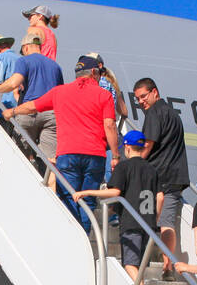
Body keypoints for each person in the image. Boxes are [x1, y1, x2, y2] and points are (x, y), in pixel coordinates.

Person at [7, 56, 118, 234]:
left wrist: (12, 111)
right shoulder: (104, 95)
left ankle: (72, 239)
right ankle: (84, 244)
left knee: (67, 198)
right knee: (88, 201)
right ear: (93, 73)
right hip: (95, 155)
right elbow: (110, 125)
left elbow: (31, 107)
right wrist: (116, 156)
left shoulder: (60, 92)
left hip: (68, 155)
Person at [75, 129, 160, 284]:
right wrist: (156, 218)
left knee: (129, 264)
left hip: (131, 222)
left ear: (127, 147)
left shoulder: (124, 167)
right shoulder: (152, 169)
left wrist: (87, 192)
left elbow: (115, 192)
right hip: (149, 223)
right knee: (139, 264)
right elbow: (160, 197)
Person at [132, 79, 190, 275]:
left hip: (157, 178)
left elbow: (148, 143)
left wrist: (136, 162)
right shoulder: (173, 114)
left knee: (149, 218)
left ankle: (151, 260)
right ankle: (168, 262)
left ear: (154, 92)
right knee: (167, 221)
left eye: (143, 96)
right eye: (137, 98)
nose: (141, 101)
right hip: (175, 176)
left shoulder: (154, 113)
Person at [0, 33, 62, 164]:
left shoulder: (24, 61)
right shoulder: (55, 66)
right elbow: (60, 93)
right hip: (51, 115)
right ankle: (49, 184)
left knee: (20, 158)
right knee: (50, 163)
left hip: (29, 112)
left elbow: (14, 83)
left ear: (26, 48)